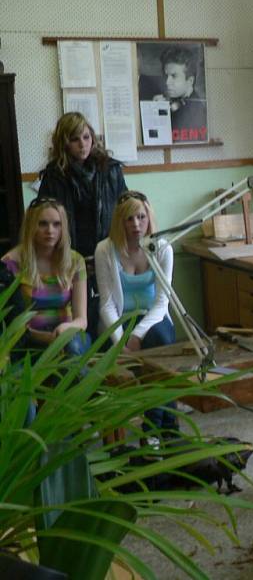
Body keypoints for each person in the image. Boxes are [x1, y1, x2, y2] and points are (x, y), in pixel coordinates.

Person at [38, 112, 128, 339]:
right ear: (64, 142)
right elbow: (44, 220)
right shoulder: (53, 176)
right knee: (81, 320)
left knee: (109, 317)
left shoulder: (111, 170)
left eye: (86, 137)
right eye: (75, 139)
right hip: (71, 257)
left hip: (106, 252)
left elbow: (124, 210)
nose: (83, 144)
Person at [95, 190, 178, 436]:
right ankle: (168, 428)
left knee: (160, 346)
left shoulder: (162, 248)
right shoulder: (104, 250)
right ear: (120, 222)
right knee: (149, 364)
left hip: (153, 319)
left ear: (149, 217)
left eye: (141, 217)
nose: (136, 224)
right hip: (119, 322)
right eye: (129, 219)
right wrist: (121, 342)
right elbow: (107, 304)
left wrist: (138, 335)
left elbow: (163, 302)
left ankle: (152, 429)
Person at [1, 198, 90, 358]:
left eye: (57, 224)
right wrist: (47, 338)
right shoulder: (10, 264)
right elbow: (11, 322)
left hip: (70, 337)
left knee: (71, 346)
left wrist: (65, 329)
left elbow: (82, 320)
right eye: (42, 224)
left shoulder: (76, 261)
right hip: (28, 341)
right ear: (30, 226)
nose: (50, 230)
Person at [154, 45, 208, 143]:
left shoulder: (196, 113)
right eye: (166, 76)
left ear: (190, 80)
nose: (167, 82)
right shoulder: (175, 102)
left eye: (174, 76)